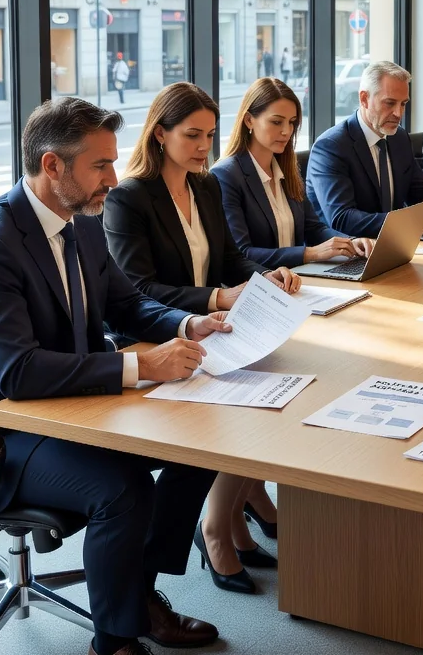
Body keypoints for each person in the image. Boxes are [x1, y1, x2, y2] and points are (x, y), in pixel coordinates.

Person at [0, 98, 233, 655]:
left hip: (67, 409)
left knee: (199, 445)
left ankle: (137, 597)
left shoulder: (81, 223)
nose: (113, 177)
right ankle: (111, 649)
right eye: (100, 165)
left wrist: (188, 325)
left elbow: (127, 304)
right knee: (121, 488)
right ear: (52, 166)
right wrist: (140, 364)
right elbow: (18, 372)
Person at [103, 82, 300, 598]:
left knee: (277, 389)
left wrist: (265, 278)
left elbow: (231, 259)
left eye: (210, 135)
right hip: (152, 340)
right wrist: (216, 297)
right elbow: (137, 289)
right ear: (160, 133)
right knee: (239, 410)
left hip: (213, 333)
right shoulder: (128, 198)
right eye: (192, 135)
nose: (203, 147)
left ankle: (229, 517)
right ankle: (215, 528)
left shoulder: (205, 186)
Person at [213, 77, 375, 268]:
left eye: (291, 122)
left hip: (297, 277)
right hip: (260, 282)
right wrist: (310, 253)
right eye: (276, 122)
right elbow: (242, 253)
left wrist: (350, 243)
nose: (287, 131)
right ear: (249, 120)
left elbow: (312, 228)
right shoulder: (226, 176)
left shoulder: (286, 168)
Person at [306, 60, 423, 238]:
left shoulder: (399, 137)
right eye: (390, 103)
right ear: (364, 99)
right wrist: (413, 224)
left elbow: (421, 191)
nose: (398, 113)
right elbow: (342, 218)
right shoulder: (331, 146)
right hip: (350, 248)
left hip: (394, 243)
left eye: (403, 104)